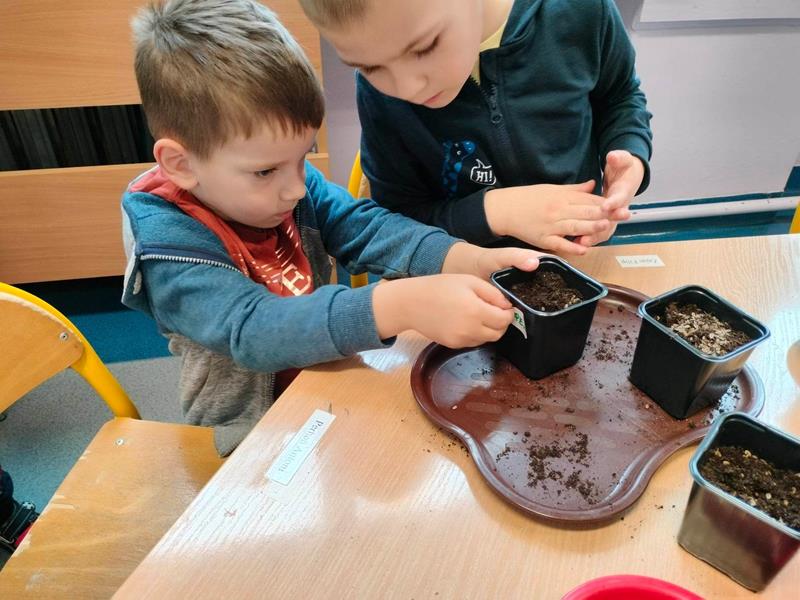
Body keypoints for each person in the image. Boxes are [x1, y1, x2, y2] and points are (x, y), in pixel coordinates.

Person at [124, 0, 541, 456]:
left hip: (328, 383)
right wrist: (396, 305)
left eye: (303, 157)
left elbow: (364, 226)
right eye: (265, 171)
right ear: (181, 164)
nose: (296, 188)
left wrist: (464, 258)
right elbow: (252, 329)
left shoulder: (288, 183)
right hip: (248, 434)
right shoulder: (167, 240)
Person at [300, 0, 653, 255]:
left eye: (424, 47)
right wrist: (494, 212)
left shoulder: (581, 11)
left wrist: (630, 153)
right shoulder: (379, 96)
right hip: (461, 276)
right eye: (369, 67)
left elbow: (620, 95)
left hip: (582, 258)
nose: (407, 88)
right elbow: (396, 220)